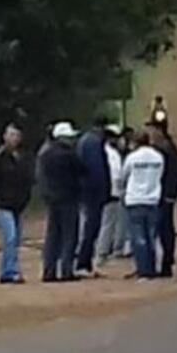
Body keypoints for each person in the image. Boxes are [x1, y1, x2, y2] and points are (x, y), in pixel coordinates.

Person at [39, 121, 86, 282]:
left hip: (52, 199)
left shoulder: (45, 154)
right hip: (69, 198)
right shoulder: (69, 155)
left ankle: (48, 270)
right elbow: (82, 170)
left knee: (52, 236)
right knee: (69, 236)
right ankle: (67, 270)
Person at [0, 124, 34, 284]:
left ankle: (7, 269)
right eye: (11, 135)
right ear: (5, 136)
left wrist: (25, 198)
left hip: (18, 204)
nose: (14, 138)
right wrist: (0, 197)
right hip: (3, 204)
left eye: (17, 135)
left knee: (15, 238)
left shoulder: (22, 157)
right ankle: (11, 270)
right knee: (10, 236)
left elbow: (27, 179)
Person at [120, 129, 165, 280]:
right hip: (153, 199)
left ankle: (143, 270)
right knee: (151, 236)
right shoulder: (158, 157)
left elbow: (123, 176)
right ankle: (152, 268)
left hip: (135, 199)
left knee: (138, 238)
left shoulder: (132, 158)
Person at [76, 117, 111, 277]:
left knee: (90, 227)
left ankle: (85, 263)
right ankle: (83, 263)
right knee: (91, 228)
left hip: (87, 191)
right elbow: (97, 170)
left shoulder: (86, 141)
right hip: (93, 192)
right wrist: (104, 191)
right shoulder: (93, 143)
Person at [153, 124, 177, 277]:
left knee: (164, 229)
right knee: (166, 229)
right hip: (166, 194)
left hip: (164, 195)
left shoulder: (165, 150)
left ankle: (166, 262)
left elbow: (171, 173)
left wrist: (170, 193)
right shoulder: (170, 149)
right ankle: (167, 260)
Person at [96, 125, 128, 265]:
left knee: (109, 223)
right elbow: (116, 174)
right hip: (112, 192)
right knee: (108, 224)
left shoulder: (109, 152)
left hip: (113, 192)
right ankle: (102, 252)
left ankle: (108, 250)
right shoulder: (110, 153)